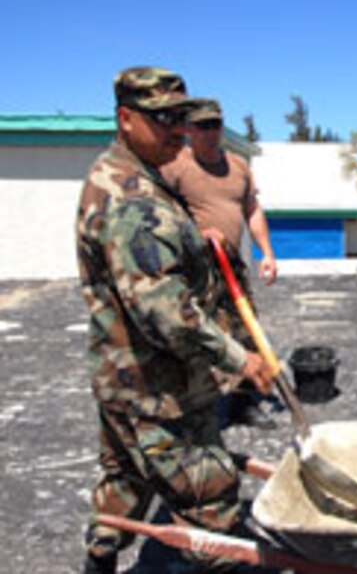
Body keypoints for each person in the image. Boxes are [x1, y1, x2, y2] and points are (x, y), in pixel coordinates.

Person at [76, 66, 275, 573]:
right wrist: (239, 357)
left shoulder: (123, 176)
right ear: (126, 118)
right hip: (159, 389)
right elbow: (165, 311)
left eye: (181, 118)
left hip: (123, 380)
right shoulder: (134, 202)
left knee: (122, 484)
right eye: (162, 118)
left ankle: (98, 563)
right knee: (214, 505)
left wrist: (196, 244)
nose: (178, 130)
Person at [162, 98, 279, 430]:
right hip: (193, 268)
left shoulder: (238, 166)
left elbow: (252, 211)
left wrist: (267, 254)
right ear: (188, 129)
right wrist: (195, 233)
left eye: (215, 125)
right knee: (196, 334)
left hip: (231, 265)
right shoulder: (174, 166)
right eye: (202, 126)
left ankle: (242, 404)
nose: (211, 133)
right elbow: (159, 213)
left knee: (245, 330)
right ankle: (196, 410)